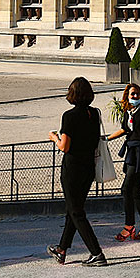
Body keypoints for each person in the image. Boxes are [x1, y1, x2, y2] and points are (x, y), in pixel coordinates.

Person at [47, 77, 108, 267]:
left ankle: (97, 253)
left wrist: (53, 138)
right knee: (73, 210)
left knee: (76, 212)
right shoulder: (94, 114)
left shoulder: (69, 116)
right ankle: (62, 249)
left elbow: (65, 147)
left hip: (73, 168)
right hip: (88, 166)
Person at [105, 83, 140, 241]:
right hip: (131, 152)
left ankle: (129, 226)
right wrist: (106, 139)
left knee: (127, 188)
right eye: (132, 94)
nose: (135, 97)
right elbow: (124, 130)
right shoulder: (129, 113)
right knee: (135, 191)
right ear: (127, 97)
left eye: (137, 94)